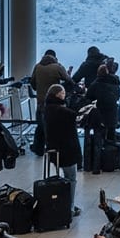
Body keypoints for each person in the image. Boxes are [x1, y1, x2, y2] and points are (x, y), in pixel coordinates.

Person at [42, 83, 82, 216]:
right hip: (66, 149)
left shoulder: (48, 108)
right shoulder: (60, 110)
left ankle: (64, 204)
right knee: (71, 178)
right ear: (58, 95)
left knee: (66, 177)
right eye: (63, 93)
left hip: (54, 148)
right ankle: (69, 207)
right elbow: (73, 114)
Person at [28, 52, 72, 155]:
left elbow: (33, 83)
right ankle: (53, 148)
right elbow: (69, 80)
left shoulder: (37, 66)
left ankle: (38, 149)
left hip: (41, 101)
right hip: (54, 103)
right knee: (54, 125)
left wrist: (39, 88)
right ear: (55, 58)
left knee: (40, 126)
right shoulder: (57, 67)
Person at [84, 62, 120, 170]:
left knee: (98, 140)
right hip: (112, 113)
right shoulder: (115, 83)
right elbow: (117, 97)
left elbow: (88, 97)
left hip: (99, 114)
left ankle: (96, 165)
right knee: (111, 136)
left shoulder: (95, 84)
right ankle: (111, 162)